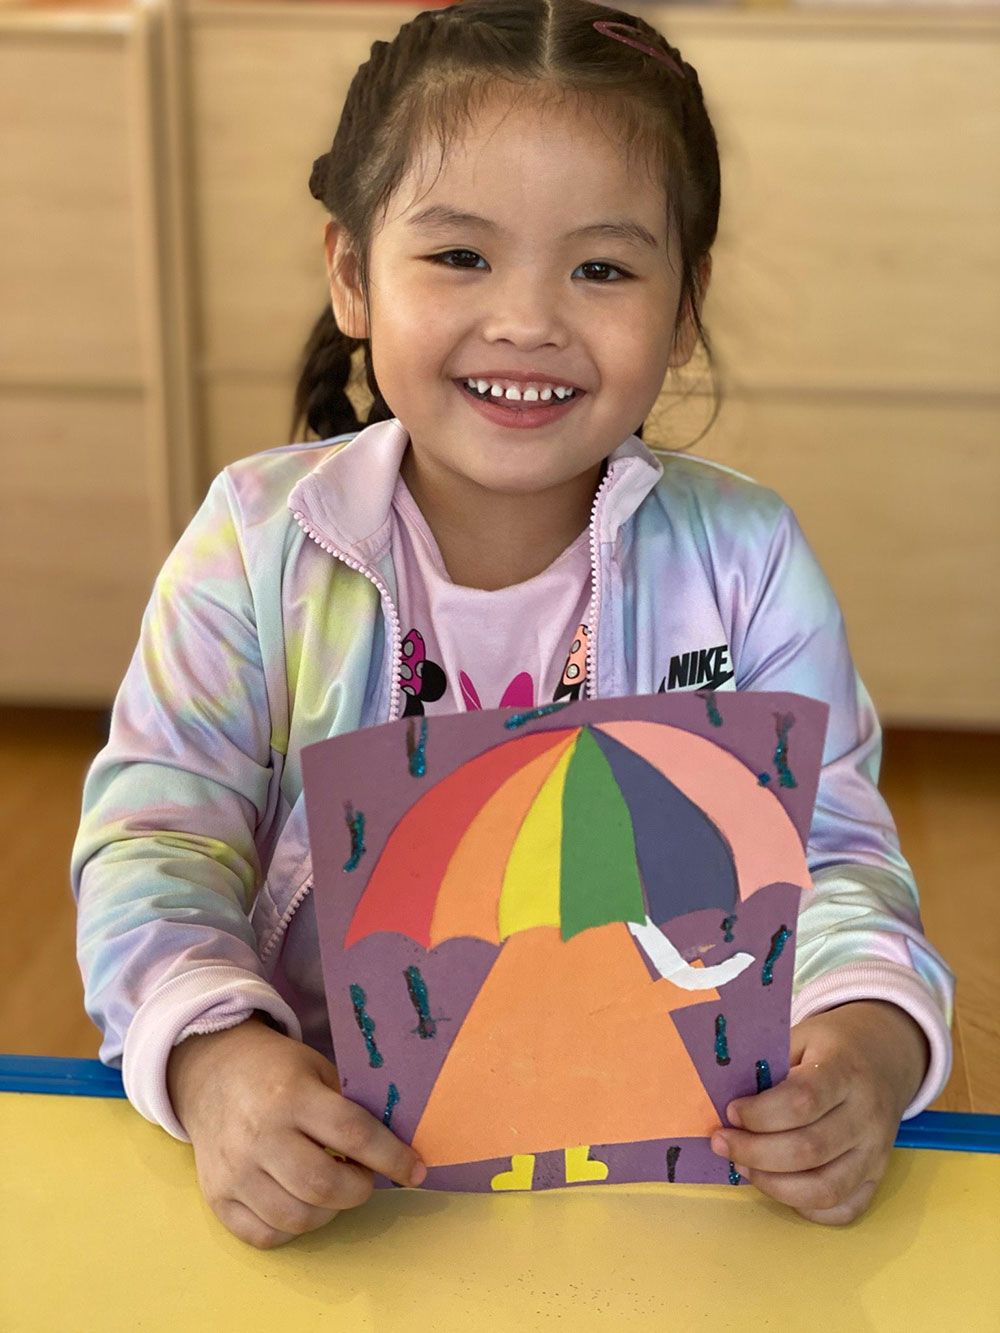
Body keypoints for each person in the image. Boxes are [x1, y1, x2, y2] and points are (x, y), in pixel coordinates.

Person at [71, 0, 954, 1250]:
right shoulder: (254, 545)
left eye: (601, 267)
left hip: (668, 1178)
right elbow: (154, 841)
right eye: (460, 257)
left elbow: (835, 859)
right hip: (330, 1170)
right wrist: (220, 1062)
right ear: (350, 273)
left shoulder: (748, 561)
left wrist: (868, 1041)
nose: (529, 320)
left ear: (685, 303)